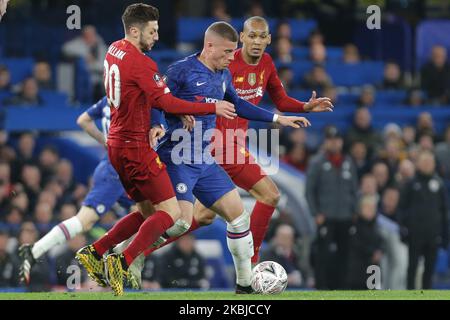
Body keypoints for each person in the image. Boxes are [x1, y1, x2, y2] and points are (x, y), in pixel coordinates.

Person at [136, 16, 331, 269]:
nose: (257, 42)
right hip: (216, 143)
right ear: (242, 38)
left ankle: (139, 251)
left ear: (270, 39)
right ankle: (252, 263)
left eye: (262, 37)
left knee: (201, 216)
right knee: (269, 196)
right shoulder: (225, 62)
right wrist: (171, 117)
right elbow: (171, 96)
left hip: (234, 144)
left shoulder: (267, 64)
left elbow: (279, 100)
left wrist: (304, 107)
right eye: (252, 36)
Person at [75, 3, 236, 296]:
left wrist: (168, 113)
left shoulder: (114, 49)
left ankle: (95, 251)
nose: (156, 37)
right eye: (152, 31)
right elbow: (167, 102)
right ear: (135, 31)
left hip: (115, 146)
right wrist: (210, 106)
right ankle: (121, 261)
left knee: (148, 211)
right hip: (136, 147)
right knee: (173, 214)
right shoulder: (141, 63)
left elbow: (149, 97)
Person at [18, 97, 135, 286]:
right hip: (115, 171)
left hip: (125, 168)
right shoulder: (134, 98)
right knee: (85, 221)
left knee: (144, 213)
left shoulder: (109, 98)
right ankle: (35, 250)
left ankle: (122, 265)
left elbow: (83, 120)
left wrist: (105, 142)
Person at [306, 125, 358, 289]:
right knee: (323, 255)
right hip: (326, 217)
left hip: (345, 216)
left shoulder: (348, 162)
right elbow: (309, 191)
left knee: (345, 254)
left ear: (341, 142)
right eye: (331, 140)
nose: (334, 143)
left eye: (337, 140)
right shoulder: (317, 162)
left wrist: (354, 211)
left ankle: (342, 287)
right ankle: (321, 287)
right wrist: (316, 213)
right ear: (326, 142)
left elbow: (354, 189)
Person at [399, 150, 449, 289]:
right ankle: (410, 296)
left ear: (434, 164)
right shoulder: (411, 184)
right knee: (412, 268)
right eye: (424, 162)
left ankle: (426, 296)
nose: (427, 165)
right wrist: (402, 229)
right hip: (415, 234)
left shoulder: (439, 184)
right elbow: (401, 208)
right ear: (418, 164)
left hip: (433, 235)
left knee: (429, 270)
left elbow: (444, 212)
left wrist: (445, 236)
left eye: (430, 162)